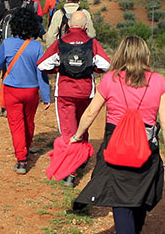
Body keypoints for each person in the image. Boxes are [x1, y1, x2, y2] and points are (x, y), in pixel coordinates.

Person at [70, 35, 165, 234]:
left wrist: (77, 134)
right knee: (139, 190)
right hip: (146, 145)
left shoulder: (109, 80)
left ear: (121, 54)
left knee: (120, 194)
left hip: (115, 142)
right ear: (145, 54)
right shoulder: (158, 82)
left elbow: (90, 113)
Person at [37, 10, 111, 187]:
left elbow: (42, 65)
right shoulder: (92, 43)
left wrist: (60, 69)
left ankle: (70, 172)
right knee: (82, 126)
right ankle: (82, 158)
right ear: (86, 26)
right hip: (86, 92)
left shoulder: (60, 43)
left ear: (69, 25)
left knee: (68, 132)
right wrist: (91, 69)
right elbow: (105, 65)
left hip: (64, 92)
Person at [0, 8, 51, 174]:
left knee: (16, 124)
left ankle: (22, 159)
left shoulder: (8, 43)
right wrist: (46, 96)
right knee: (29, 121)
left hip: (12, 90)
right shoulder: (37, 46)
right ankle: (28, 145)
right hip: (31, 91)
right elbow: (42, 73)